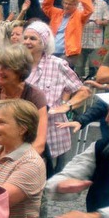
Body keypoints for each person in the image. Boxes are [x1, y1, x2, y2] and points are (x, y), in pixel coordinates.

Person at [18, 22, 90, 177]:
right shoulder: (16, 62)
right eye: (25, 38)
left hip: (51, 132)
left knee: (47, 179)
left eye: (33, 38)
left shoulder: (57, 64)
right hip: (20, 129)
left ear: (43, 42)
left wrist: (66, 106)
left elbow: (83, 92)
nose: (27, 41)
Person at [0, 44, 48, 155]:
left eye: (6, 67)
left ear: (20, 71)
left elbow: (39, 143)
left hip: (25, 155)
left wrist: (18, 163)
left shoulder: (35, 96)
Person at [43, 0, 93, 67]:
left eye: (70, 4)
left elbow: (89, 10)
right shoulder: (56, 13)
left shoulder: (80, 16)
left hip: (69, 54)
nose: (67, 6)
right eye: (65, 3)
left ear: (76, 5)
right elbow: (46, 6)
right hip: (52, 51)